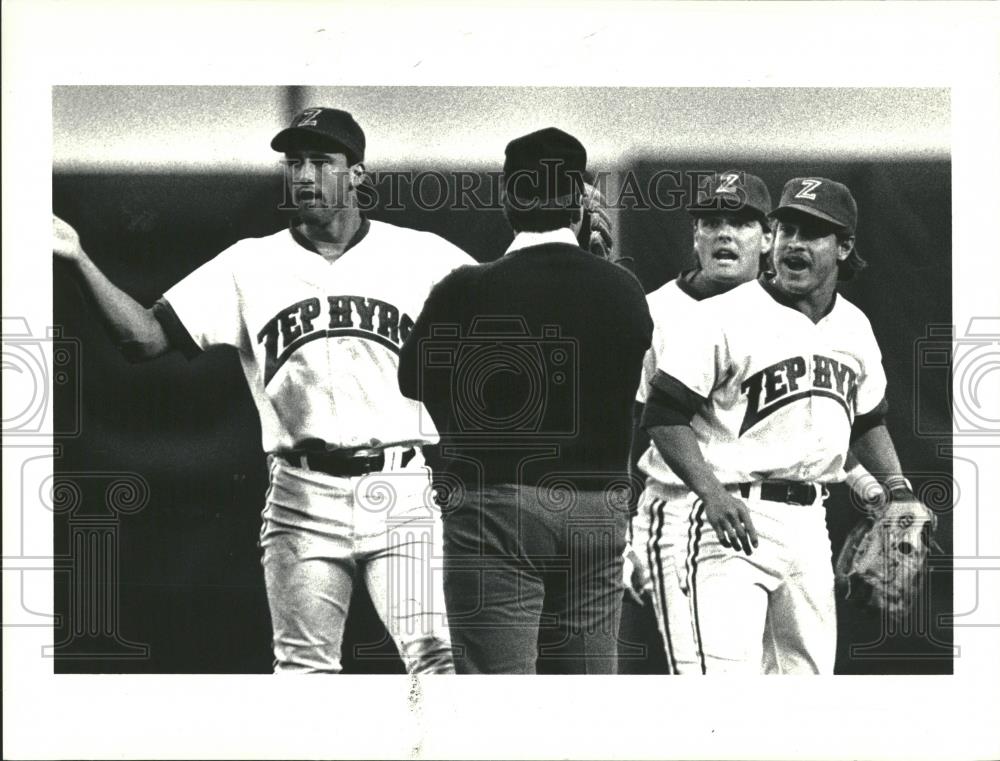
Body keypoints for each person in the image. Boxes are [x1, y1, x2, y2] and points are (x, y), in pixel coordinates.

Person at [52, 106, 474, 674]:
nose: (303, 175)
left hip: (400, 489)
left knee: (437, 662)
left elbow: (513, 321)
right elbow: (144, 339)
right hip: (302, 494)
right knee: (302, 672)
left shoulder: (425, 256)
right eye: (294, 162)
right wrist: (77, 257)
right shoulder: (251, 263)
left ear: (358, 175)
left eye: (321, 162)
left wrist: (575, 254)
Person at [398, 127, 653, 674]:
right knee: (582, 704)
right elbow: (628, 387)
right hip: (597, 510)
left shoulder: (467, 287)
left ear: (509, 198)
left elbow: (412, 379)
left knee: (498, 709)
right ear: (581, 200)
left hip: (498, 506)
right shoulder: (624, 289)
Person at [640, 176, 917, 674]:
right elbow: (661, 415)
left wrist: (897, 490)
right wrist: (712, 495)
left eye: (811, 233)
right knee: (722, 690)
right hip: (729, 517)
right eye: (787, 228)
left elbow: (868, 421)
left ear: (844, 247)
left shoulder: (854, 327)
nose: (794, 243)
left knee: (805, 685)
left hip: (811, 523)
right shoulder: (721, 317)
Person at [625, 170, 774, 674]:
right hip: (678, 507)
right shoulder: (653, 312)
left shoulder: (792, 314)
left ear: (768, 237)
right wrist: (624, 526)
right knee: (704, 679)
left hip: (772, 516)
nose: (724, 234)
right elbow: (627, 425)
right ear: (694, 235)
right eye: (711, 222)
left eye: (741, 222)